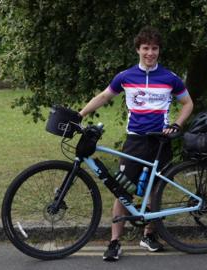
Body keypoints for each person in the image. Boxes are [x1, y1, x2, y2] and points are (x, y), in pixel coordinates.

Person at [79, 26, 193, 261]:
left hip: (160, 141)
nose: (150, 53)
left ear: (159, 51)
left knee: (154, 191)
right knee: (123, 191)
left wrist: (177, 125)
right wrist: (79, 115)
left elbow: (188, 104)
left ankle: (149, 235)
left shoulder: (170, 78)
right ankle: (114, 242)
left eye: (154, 48)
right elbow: (103, 96)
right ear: (138, 50)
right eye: (145, 48)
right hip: (135, 141)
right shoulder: (126, 76)